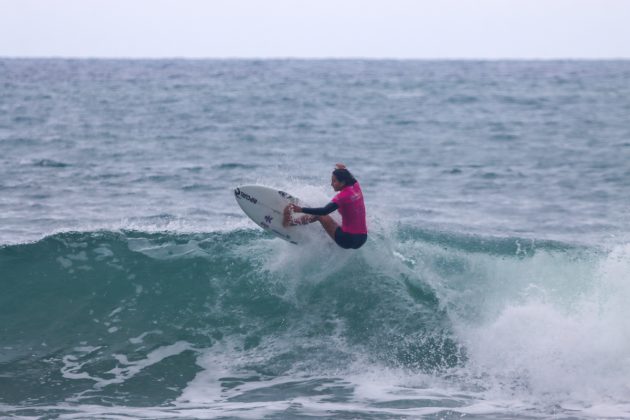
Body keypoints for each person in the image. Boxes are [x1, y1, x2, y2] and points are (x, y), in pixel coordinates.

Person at [283, 163, 368, 249]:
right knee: (338, 222)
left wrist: (300, 209)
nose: (331, 184)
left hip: (347, 240)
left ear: (342, 183)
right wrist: (344, 170)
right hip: (362, 239)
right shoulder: (356, 187)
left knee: (320, 216)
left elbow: (324, 211)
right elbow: (351, 177)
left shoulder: (343, 197)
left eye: (334, 181)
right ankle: (329, 241)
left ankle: (290, 222)